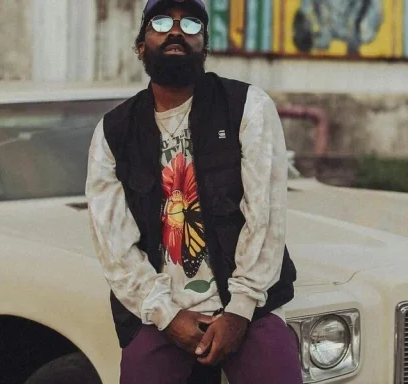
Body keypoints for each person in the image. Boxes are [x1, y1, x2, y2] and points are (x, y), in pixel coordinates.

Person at [85, 0, 302, 382]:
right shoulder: (113, 131)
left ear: (204, 44)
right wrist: (167, 316)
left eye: (191, 25)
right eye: (162, 22)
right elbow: (113, 243)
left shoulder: (247, 106)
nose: (176, 31)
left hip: (249, 306)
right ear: (141, 45)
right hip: (159, 311)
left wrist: (240, 309)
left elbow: (266, 215)